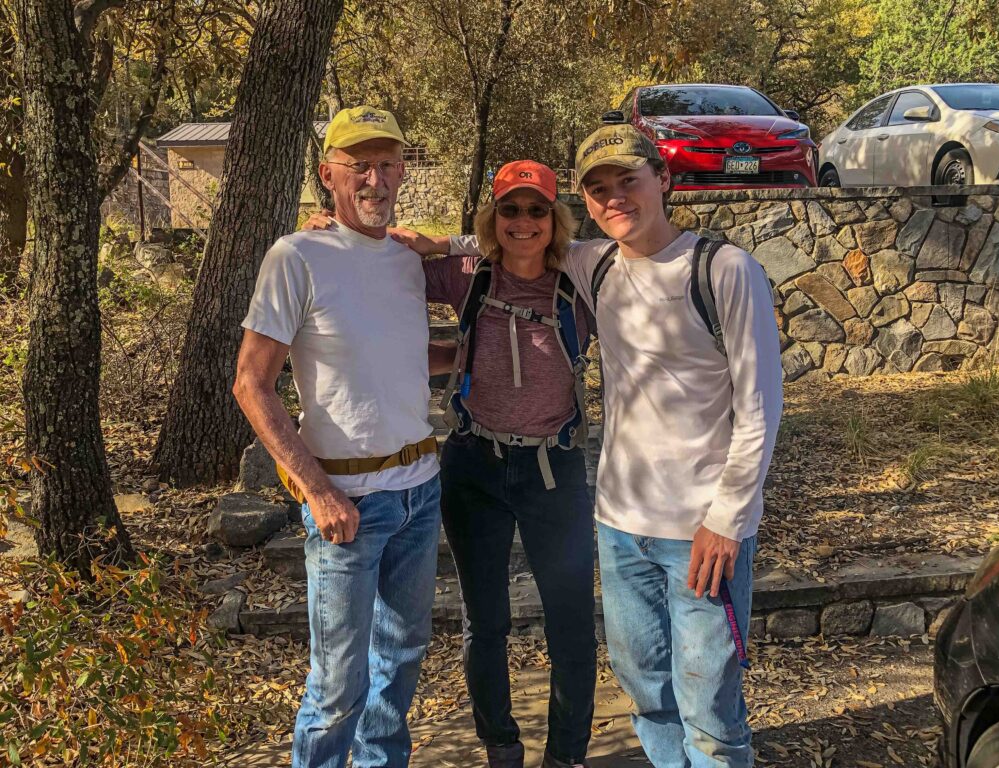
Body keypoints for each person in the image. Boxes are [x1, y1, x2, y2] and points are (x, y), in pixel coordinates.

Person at [405, 124, 783, 767]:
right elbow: (491, 244)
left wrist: (728, 520)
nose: (615, 199)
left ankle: (583, 754)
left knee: (706, 703)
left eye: (627, 182)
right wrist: (424, 240)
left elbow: (760, 407)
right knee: (645, 692)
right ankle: (527, 747)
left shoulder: (701, 269)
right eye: (600, 189)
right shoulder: (573, 264)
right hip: (604, 513)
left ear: (662, 179)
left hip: (681, 519)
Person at [305, 160, 597, 768]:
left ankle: (566, 752)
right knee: (483, 620)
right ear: (492, 218)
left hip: (554, 471)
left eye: (536, 210)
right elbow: (379, 260)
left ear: (555, 218)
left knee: (570, 621)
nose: (523, 223)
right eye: (510, 210)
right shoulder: (467, 276)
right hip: (475, 467)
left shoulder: (583, 280)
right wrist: (332, 233)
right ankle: (501, 744)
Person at [233, 106, 444, 768]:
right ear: (329, 176)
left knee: (401, 663)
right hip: (347, 502)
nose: (376, 181)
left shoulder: (408, 259)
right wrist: (318, 492)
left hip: (418, 492)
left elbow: (404, 351)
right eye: (359, 167)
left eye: (388, 165)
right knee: (337, 686)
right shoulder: (297, 255)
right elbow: (250, 383)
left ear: (404, 171)